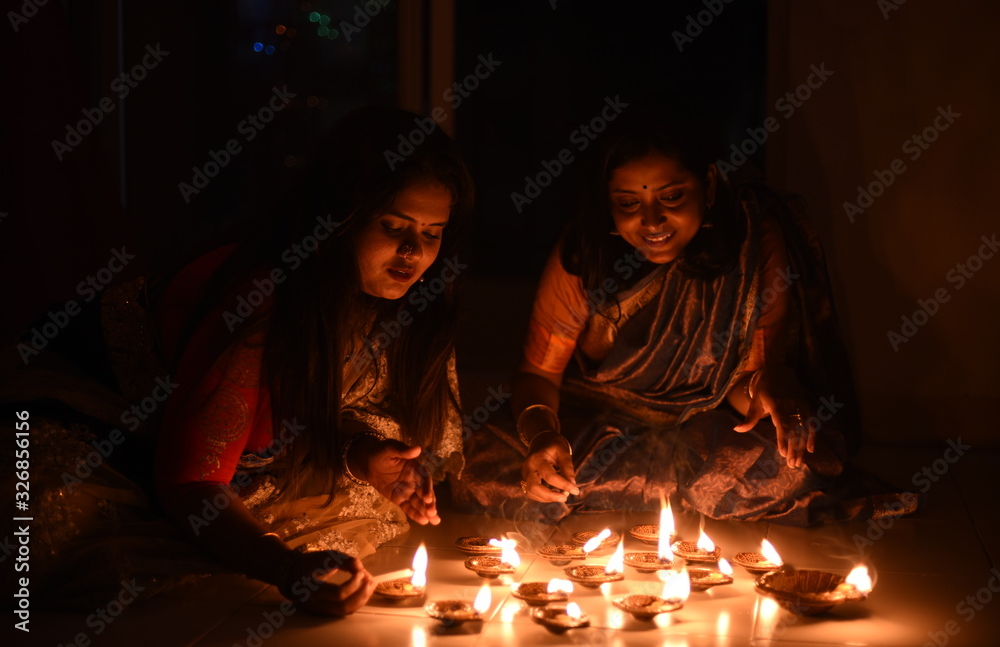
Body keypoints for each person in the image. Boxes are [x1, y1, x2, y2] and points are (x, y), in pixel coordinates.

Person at [1, 107, 474, 613]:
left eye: (431, 233)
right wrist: (285, 570)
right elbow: (191, 481)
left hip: (206, 444)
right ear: (341, 217)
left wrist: (360, 455)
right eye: (392, 225)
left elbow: (305, 409)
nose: (412, 251)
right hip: (85, 418)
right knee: (45, 537)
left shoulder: (393, 300)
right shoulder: (262, 302)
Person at [454, 108, 914, 526]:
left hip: (704, 426)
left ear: (709, 185)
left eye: (672, 197)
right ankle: (671, 494)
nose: (652, 221)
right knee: (480, 466)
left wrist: (766, 387)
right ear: (608, 201)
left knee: (789, 467)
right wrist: (541, 438)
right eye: (629, 203)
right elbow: (538, 375)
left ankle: (621, 493)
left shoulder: (752, 243)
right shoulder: (585, 254)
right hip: (594, 419)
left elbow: (745, 384)